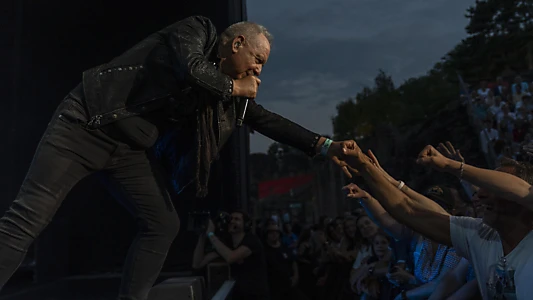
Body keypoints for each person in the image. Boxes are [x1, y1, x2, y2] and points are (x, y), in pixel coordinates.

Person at [0, 15, 354, 299]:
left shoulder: (227, 96)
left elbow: (266, 121)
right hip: (85, 123)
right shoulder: (196, 30)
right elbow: (192, 69)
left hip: (128, 152)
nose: (259, 70)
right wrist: (233, 87)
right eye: (258, 60)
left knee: (163, 224)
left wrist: (325, 146)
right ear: (237, 43)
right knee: (27, 219)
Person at [341, 141, 533, 299]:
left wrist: (453, 167)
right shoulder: (478, 235)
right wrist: (364, 166)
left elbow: (524, 191)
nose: (478, 196)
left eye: (493, 188)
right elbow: (408, 210)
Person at [192, 210, 269, 299]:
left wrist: (211, 234)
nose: (232, 221)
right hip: (238, 295)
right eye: (230, 219)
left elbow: (231, 257)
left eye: (237, 219)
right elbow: (197, 264)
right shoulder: (226, 245)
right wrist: (202, 236)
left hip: (256, 296)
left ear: (246, 225)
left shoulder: (252, 241)